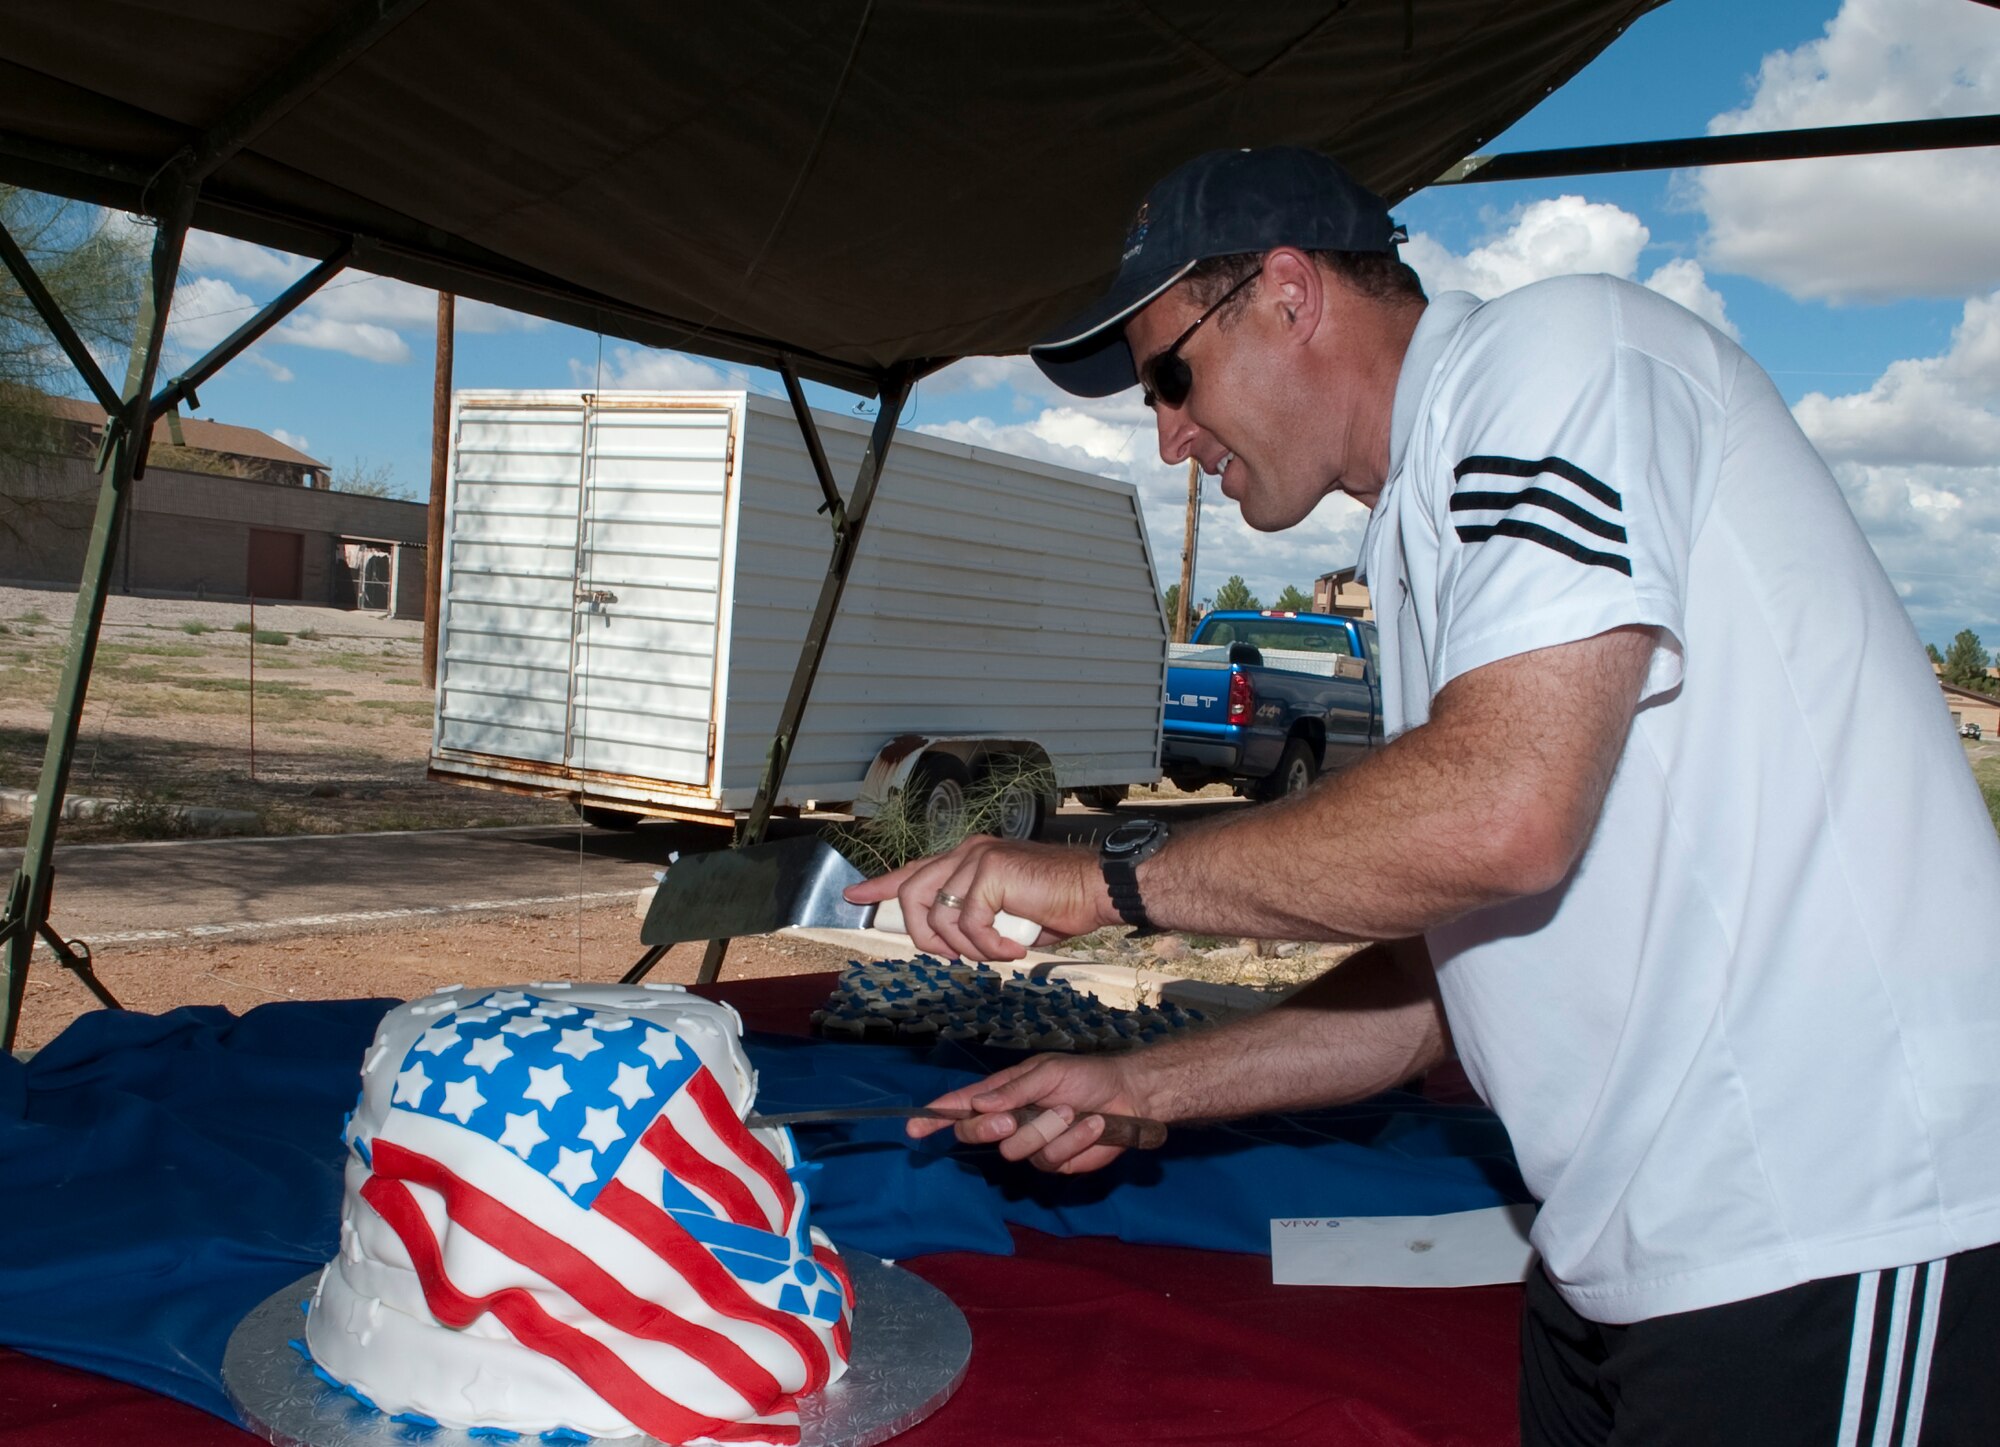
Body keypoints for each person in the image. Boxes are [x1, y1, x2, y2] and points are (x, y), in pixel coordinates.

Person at [844, 147, 2000, 1445]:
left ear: (1289, 292)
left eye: (1171, 375)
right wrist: (1141, 1089)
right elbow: (1441, 1001)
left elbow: (1506, 813)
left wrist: (1095, 879)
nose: (1168, 433)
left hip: (1828, 1220)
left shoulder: (1556, 356)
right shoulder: (1418, 527)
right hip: (1629, 1252)